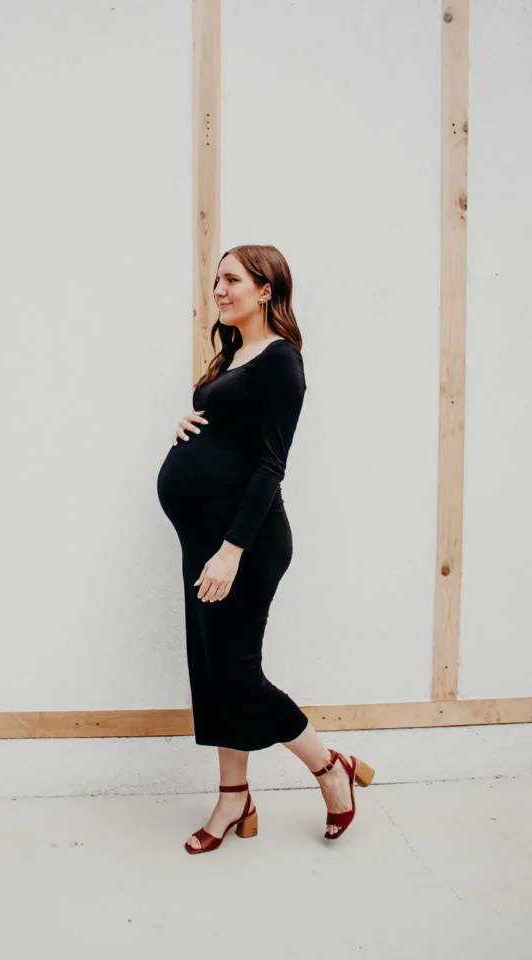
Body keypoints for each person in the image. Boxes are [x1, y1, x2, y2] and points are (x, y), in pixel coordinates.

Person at [156, 244, 374, 854]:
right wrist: (186, 425)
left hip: (243, 542)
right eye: (216, 279)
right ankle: (234, 798)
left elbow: (271, 467)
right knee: (213, 669)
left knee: (238, 674)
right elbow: (228, 435)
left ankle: (331, 767)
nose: (219, 290)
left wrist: (231, 551)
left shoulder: (282, 362)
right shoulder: (234, 355)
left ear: (266, 291)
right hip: (203, 537)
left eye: (231, 279)